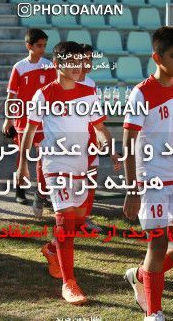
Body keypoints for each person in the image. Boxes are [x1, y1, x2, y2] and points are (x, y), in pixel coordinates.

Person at [17, 41, 118, 305]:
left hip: (81, 165)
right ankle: (69, 283)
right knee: (64, 220)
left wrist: (109, 146)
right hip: (55, 165)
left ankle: (51, 250)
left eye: (79, 62)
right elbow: (29, 131)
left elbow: (98, 127)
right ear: (58, 64)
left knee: (78, 218)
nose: (77, 67)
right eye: (71, 62)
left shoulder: (88, 92)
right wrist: (22, 164)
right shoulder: (44, 94)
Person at [122, 27, 173, 321]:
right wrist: (132, 189)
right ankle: (154, 312)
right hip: (151, 180)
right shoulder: (141, 93)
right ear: (157, 57)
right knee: (158, 243)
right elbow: (128, 143)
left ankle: (141, 275)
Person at [4, 28, 56, 209]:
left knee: (43, 157)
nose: (42, 49)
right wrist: (8, 118)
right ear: (29, 46)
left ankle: (41, 194)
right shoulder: (19, 67)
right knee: (22, 156)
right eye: (39, 45)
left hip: (43, 120)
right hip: (22, 119)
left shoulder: (49, 66)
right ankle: (20, 189)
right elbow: (12, 95)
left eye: (44, 45)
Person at [77, 43, 102, 232]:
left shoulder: (91, 83)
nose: (88, 62)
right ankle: (72, 219)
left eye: (90, 59)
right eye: (84, 58)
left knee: (91, 177)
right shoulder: (67, 82)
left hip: (90, 137)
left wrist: (100, 134)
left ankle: (84, 218)